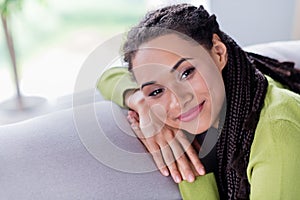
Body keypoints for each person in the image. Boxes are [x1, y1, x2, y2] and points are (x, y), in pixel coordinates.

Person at [97, 4, 300, 199]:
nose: (179, 100)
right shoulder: (241, 80)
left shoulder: (278, 135)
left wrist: (192, 175)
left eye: (186, 73)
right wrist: (142, 104)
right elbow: (108, 77)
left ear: (219, 53)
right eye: (157, 91)